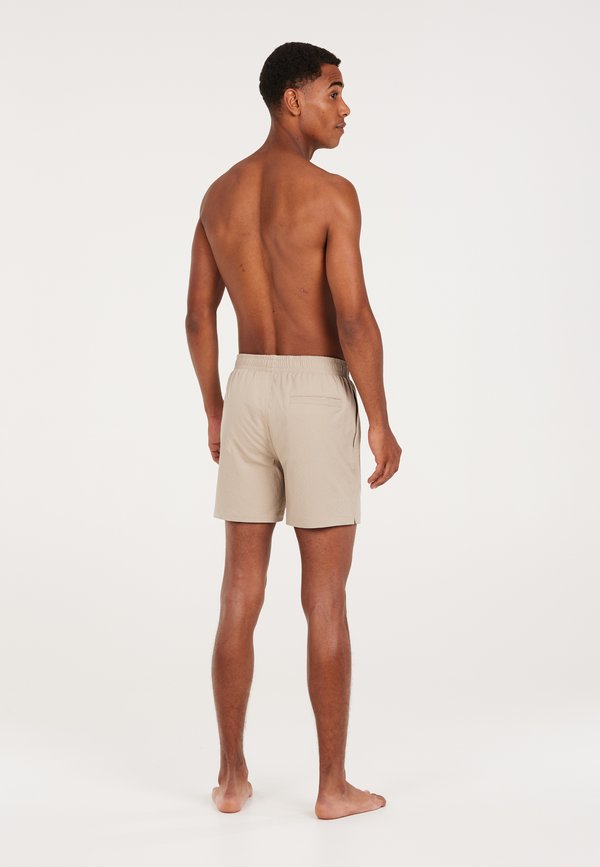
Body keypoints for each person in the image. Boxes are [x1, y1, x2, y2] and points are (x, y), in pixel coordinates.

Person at [185, 41, 402, 820]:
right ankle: (333, 787)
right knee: (326, 598)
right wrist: (380, 419)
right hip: (315, 393)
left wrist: (215, 406)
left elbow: (197, 317)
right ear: (293, 99)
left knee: (239, 590)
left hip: (248, 386)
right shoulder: (332, 195)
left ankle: (231, 776)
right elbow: (353, 318)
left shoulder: (219, 193)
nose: (345, 108)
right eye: (333, 92)